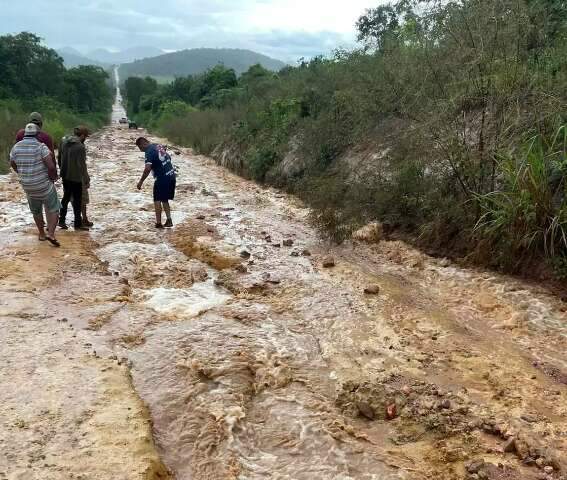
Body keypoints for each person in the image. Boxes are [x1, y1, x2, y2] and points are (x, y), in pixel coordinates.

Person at [10, 123, 60, 247]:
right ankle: (51, 234)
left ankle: (42, 234)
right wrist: (53, 177)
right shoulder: (41, 147)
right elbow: (51, 166)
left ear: (25, 134)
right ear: (38, 134)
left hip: (28, 186)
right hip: (43, 186)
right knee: (54, 208)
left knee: (36, 211)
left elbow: (12, 163)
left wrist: (20, 172)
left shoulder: (15, 148)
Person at [135, 137, 176, 228]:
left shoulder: (149, 151)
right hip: (171, 176)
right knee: (164, 199)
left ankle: (158, 223)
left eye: (140, 147)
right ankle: (169, 220)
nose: (140, 150)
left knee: (157, 200)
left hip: (162, 178)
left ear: (143, 144)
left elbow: (147, 169)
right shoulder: (158, 145)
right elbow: (168, 157)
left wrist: (141, 182)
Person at [58, 126, 90, 230]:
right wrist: (86, 179)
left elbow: (59, 157)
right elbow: (82, 165)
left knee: (65, 198)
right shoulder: (80, 146)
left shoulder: (64, 141)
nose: (85, 138)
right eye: (85, 136)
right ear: (82, 135)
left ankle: (61, 221)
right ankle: (78, 224)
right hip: (76, 176)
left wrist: (62, 169)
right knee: (77, 200)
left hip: (65, 175)